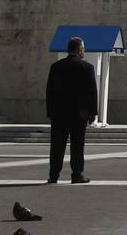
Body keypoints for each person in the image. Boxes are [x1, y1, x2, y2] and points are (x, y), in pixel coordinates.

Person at [45, 36, 98, 184]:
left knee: (56, 146)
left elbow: (49, 91)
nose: (84, 51)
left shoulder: (56, 67)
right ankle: (77, 174)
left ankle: (53, 175)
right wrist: (93, 112)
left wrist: (50, 112)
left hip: (59, 114)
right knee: (77, 145)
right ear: (80, 50)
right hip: (79, 114)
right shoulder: (87, 67)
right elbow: (92, 92)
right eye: (84, 49)